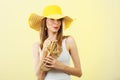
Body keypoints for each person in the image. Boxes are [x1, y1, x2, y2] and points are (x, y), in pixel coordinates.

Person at [28, 5, 82, 80]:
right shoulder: (37, 46)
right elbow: (39, 76)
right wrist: (44, 52)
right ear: (45, 21)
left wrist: (59, 66)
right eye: (52, 19)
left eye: (59, 19)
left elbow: (79, 73)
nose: (56, 22)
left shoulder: (69, 41)